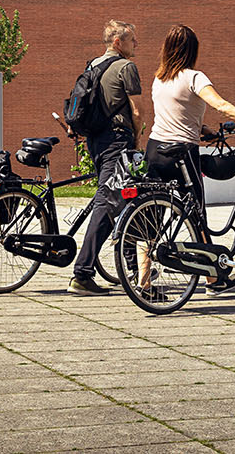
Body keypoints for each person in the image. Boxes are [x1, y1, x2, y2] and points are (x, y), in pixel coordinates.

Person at [146, 23, 235, 292]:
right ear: (192, 50)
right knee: (197, 213)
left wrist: (202, 129)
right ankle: (213, 277)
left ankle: (143, 281)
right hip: (183, 153)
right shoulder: (195, 77)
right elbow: (222, 106)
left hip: (155, 149)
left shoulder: (159, 79)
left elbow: (173, 114)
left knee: (152, 216)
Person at [68, 20, 142, 295]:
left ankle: (134, 268)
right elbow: (137, 112)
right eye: (132, 40)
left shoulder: (92, 65)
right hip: (117, 140)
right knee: (108, 201)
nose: (137, 45)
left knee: (126, 200)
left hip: (96, 142)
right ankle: (82, 273)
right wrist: (137, 139)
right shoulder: (126, 67)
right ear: (117, 42)